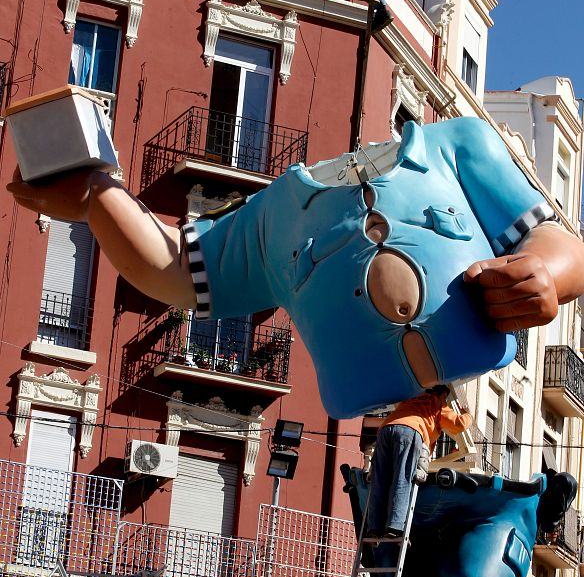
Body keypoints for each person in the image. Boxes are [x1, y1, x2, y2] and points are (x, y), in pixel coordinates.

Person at [7, 116, 584, 418]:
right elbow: (179, 268)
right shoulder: (272, 216)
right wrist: (98, 196)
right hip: (379, 422)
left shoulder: (458, 144)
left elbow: (556, 237)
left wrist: (544, 270)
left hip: (451, 417)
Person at [367, 385, 472, 539]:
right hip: (410, 431)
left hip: (386, 429)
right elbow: (459, 424)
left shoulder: (411, 397)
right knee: (402, 478)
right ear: (441, 394)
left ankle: (374, 527)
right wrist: (468, 414)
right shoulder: (437, 404)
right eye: (445, 397)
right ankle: (395, 526)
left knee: (380, 480)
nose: (445, 400)